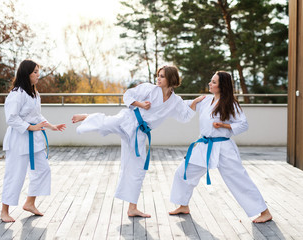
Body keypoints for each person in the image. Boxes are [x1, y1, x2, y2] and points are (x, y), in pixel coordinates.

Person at [72, 66, 205, 218]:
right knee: (106, 123)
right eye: (158, 75)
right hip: (128, 119)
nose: (158, 78)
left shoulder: (175, 101)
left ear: (171, 79)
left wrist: (195, 102)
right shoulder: (149, 89)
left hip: (140, 133)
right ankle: (87, 116)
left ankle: (132, 208)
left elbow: (185, 115)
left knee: (137, 169)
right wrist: (141, 104)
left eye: (162, 76)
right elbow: (128, 95)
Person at [169, 71, 272, 223]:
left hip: (224, 147)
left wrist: (224, 125)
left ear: (222, 86)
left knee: (239, 179)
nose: (210, 84)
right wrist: (169, 95)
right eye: (211, 81)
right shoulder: (205, 100)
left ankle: (264, 211)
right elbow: (183, 105)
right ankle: (183, 205)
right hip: (204, 145)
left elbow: (243, 124)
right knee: (183, 172)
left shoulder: (231, 103)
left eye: (214, 82)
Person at [0, 60, 66, 222]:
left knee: (43, 170)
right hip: (18, 140)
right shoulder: (16, 94)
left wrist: (51, 126)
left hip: (34, 140)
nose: (38, 75)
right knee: (14, 175)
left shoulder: (35, 94)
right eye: (35, 72)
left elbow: (37, 116)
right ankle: (4, 211)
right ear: (26, 74)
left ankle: (30, 203)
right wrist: (30, 128)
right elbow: (11, 118)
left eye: (38, 72)